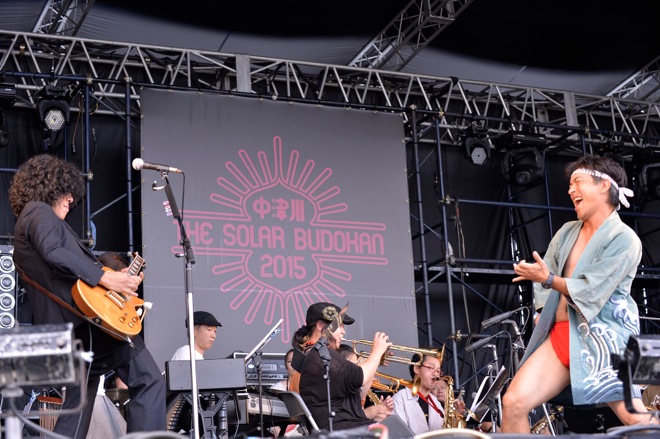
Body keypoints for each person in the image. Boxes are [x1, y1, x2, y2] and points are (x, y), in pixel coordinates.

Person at [8, 154, 166, 438]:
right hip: (88, 325)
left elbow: (63, 270)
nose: (72, 199)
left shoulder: (29, 225)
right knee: (149, 380)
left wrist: (117, 280)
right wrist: (107, 278)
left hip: (72, 331)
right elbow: (54, 253)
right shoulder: (37, 212)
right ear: (49, 187)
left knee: (78, 409)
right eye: (66, 192)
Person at [502, 155, 656, 432]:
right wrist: (540, 310)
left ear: (603, 186)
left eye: (578, 182)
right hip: (562, 335)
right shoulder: (567, 232)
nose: (571, 190)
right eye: (570, 185)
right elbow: (546, 271)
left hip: (604, 340)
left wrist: (548, 279)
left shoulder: (624, 238)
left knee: (636, 420)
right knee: (514, 402)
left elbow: (590, 290)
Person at [292, 301, 392, 431]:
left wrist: (375, 360)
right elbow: (359, 377)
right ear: (320, 326)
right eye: (340, 326)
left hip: (348, 426)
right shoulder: (320, 356)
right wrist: (377, 352)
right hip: (344, 430)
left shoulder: (316, 354)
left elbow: (358, 394)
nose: (343, 332)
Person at [336, 344, 393, 422]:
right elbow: (343, 423)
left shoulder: (354, 392)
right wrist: (367, 413)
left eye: (357, 364)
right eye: (353, 366)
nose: (357, 369)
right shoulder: (334, 393)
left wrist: (378, 415)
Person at [391, 353, 444, 434]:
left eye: (438, 371)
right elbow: (400, 435)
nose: (436, 374)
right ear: (416, 369)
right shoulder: (400, 399)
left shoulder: (436, 402)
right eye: (431, 368)